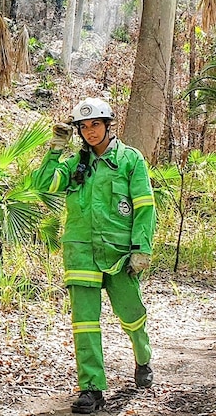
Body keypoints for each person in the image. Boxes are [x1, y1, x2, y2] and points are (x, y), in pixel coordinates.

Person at [32, 97, 156, 414]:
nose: (89, 131)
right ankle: (92, 389)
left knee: (131, 315)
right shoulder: (75, 164)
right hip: (81, 253)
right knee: (85, 323)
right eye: (83, 127)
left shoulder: (130, 160)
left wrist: (141, 248)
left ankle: (142, 357)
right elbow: (44, 184)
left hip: (120, 254)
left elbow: (144, 207)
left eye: (95, 125)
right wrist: (55, 148)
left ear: (107, 125)